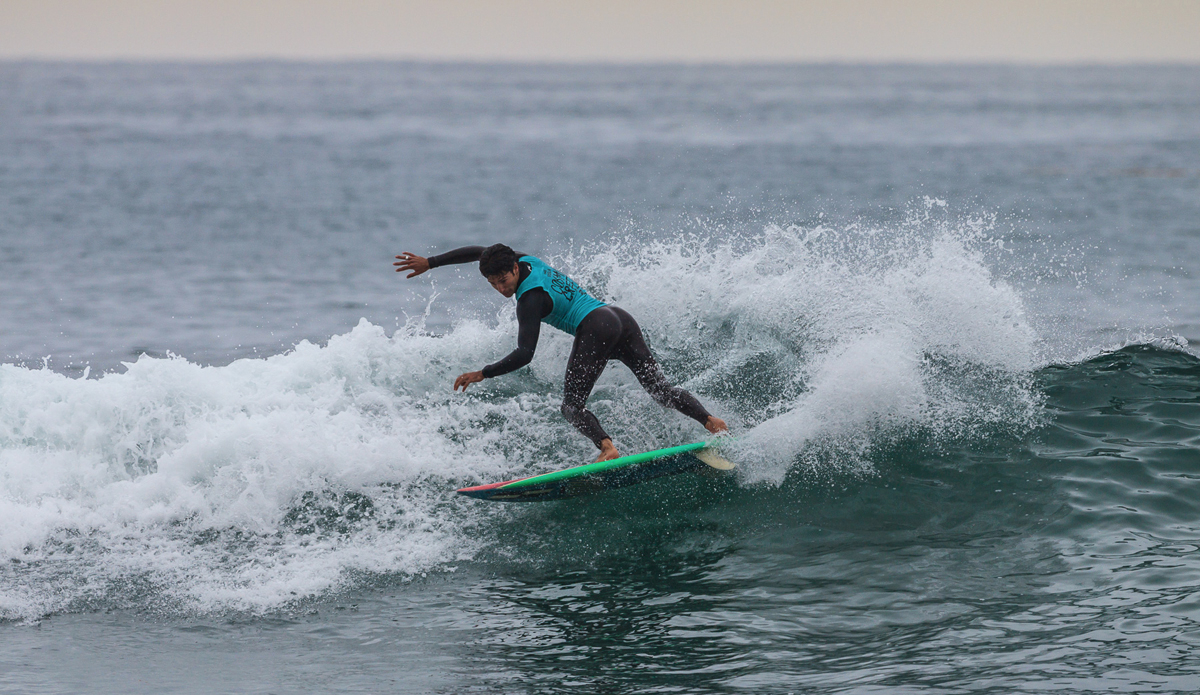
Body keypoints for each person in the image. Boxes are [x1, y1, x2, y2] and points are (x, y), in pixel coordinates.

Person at [395, 244, 727, 461]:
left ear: (514, 268)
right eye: (492, 283)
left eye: (503, 280)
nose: (500, 288)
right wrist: (431, 262)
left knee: (571, 406)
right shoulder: (523, 259)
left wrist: (484, 373)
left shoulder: (529, 300)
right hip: (619, 318)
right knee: (661, 391)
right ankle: (712, 423)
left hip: (595, 326)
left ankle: (607, 448)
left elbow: (525, 353)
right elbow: (479, 252)